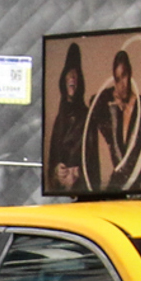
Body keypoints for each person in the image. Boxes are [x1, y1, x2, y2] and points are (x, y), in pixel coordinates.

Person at [93, 49, 141, 190]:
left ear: (130, 74)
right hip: (116, 188)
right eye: (117, 79)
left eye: (124, 76)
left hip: (138, 187)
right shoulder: (114, 111)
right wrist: (111, 94)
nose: (122, 84)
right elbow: (93, 105)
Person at [46, 44, 89, 193]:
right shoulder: (60, 119)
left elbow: (93, 163)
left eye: (75, 74)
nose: (72, 77)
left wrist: (78, 173)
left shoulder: (86, 117)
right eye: (69, 73)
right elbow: (53, 159)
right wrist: (57, 172)